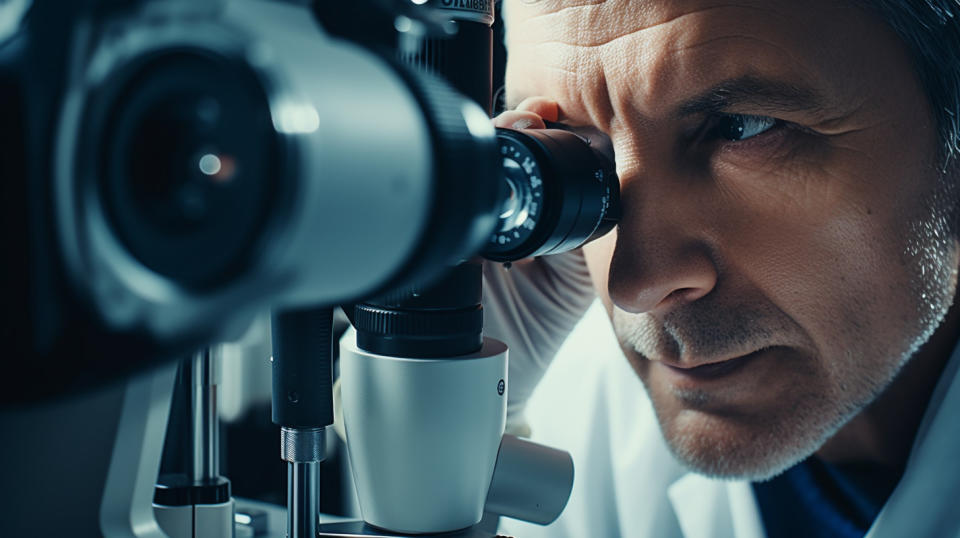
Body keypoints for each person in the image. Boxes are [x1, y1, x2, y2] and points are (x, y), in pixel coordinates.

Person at [480, 1, 960, 536]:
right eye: (569, 150)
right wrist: (443, 427)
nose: (636, 286)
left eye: (740, 128)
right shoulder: (565, 420)